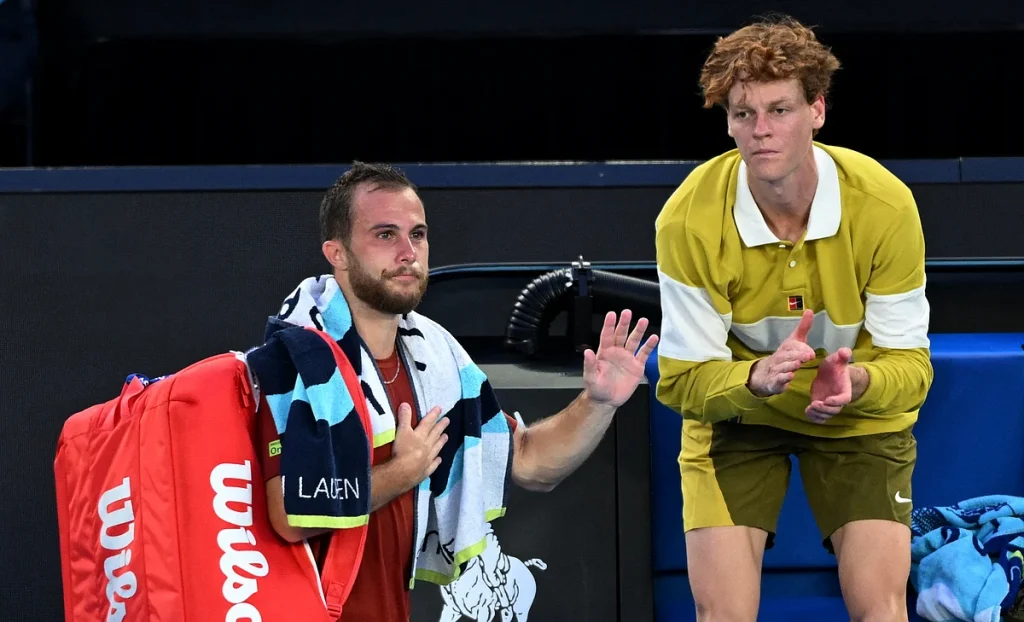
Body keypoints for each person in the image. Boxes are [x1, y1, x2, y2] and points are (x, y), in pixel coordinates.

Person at [257, 161, 659, 621]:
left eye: (418, 234)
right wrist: (403, 472)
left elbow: (530, 463)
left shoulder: (437, 361)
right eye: (385, 235)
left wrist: (598, 402)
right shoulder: (296, 358)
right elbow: (290, 515)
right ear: (338, 253)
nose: (408, 252)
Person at [654, 15, 933, 622]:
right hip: (739, 415)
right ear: (728, 122)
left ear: (817, 111)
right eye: (743, 113)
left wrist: (857, 380)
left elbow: (912, 370)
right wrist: (753, 379)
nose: (761, 131)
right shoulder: (688, 219)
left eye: (779, 110)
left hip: (857, 417)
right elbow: (680, 381)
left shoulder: (885, 205)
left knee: (882, 611)